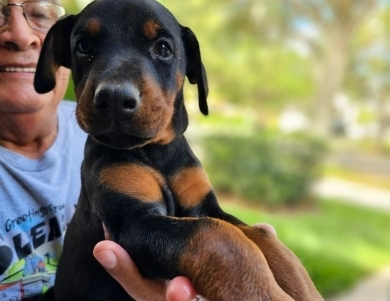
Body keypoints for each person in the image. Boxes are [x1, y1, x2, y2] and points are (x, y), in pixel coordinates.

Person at [0, 1, 279, 301]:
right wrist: (218, 254)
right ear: (60, 56)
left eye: (162, 49)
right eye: (85, 46)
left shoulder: (174, 150)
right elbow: (156, 234)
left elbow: (208, 217)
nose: (117, 89)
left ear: (188, 70)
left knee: (257, 241)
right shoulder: (103, 155)